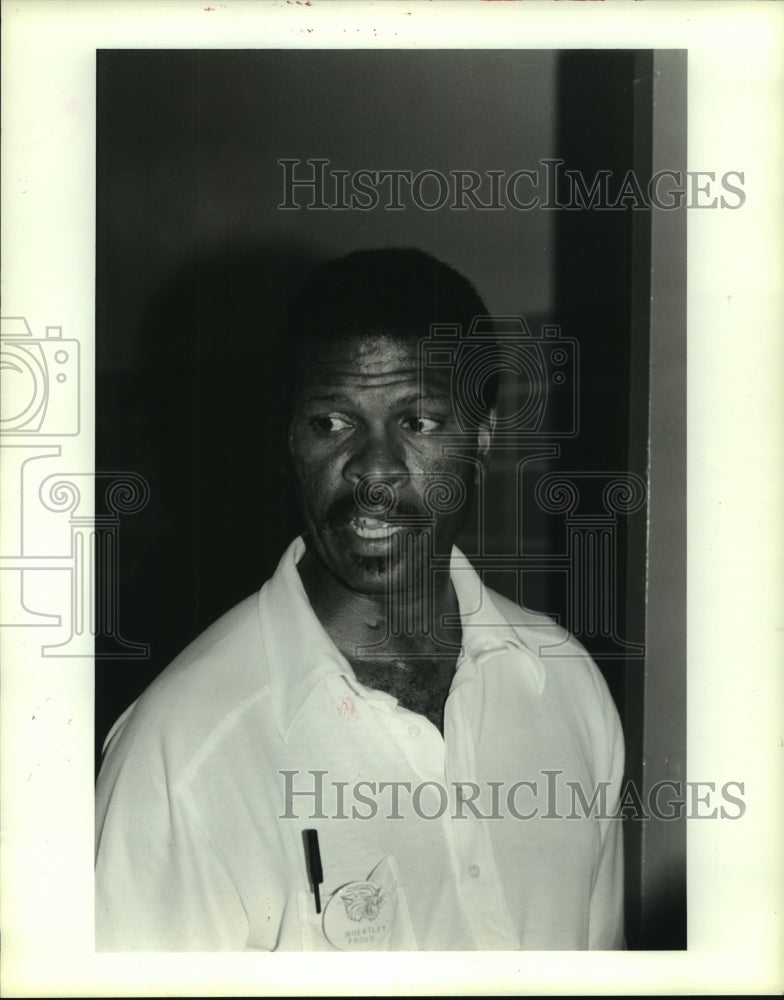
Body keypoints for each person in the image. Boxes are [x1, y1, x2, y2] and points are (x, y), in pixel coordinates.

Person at [95, 247, 625, 951]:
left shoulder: (566, 684)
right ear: (290, 442)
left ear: (484, 438)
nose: (374, 469)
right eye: (332, 423)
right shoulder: (182, 751)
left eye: (419, 422)